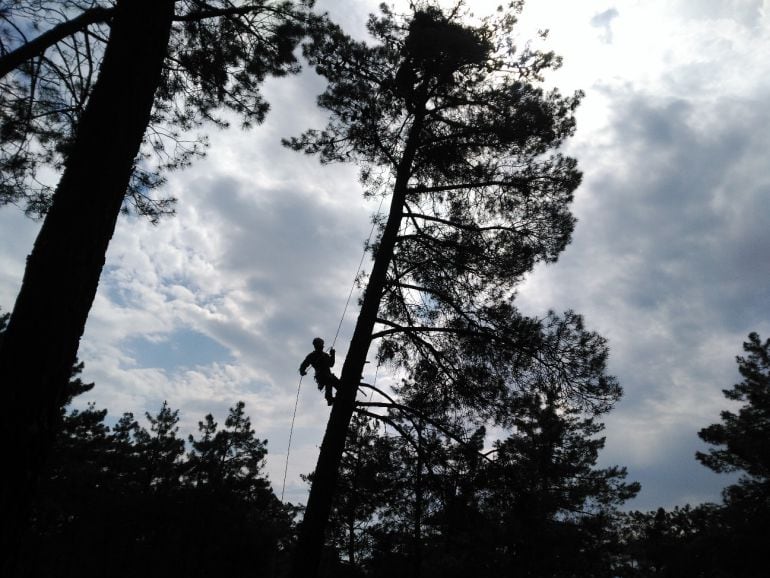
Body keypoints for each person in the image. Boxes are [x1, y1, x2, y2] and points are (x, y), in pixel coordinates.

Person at [299, 337, 340, 406]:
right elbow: (304, 365)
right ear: (316, 345)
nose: (322, 346)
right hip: (321, 376)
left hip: (328, 374)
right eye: (320, 344)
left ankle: (334, 398)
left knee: (340, 385)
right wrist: (302, 371)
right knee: (329, 379)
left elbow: (331, 364)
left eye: (322, 344)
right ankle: (329, 398)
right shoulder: (312, 356)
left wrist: (333, 355)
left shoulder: (325, 355)